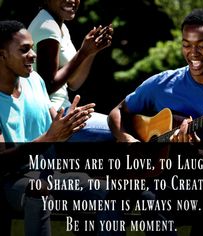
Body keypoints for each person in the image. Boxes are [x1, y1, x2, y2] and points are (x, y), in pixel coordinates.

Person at [108, 9, 203, 235]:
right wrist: (127, 138)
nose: (193, 53)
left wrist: (194, 153)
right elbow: (117, 112)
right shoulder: (163, 83)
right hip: (170, 174)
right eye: (186, 44)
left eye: (202, 45)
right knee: (150, 199)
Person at [0, 20, 122, 236]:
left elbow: (52, 123)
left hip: (50, 172)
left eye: (33, 48)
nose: (33, 55)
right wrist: (48, 138)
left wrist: (68, 125)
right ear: (2, 55)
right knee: (38, 191)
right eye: (24, 49)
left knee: (104, 189)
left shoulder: (34, 80)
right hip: (12, 180)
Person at [28, 0, 114, 142]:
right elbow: (48, 85)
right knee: (121, 130)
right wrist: (82, 52)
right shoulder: (47, 26)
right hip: (53, 119)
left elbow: (73, 83)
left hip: (65, 110)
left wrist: (90, 52)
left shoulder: (60, 26)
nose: (72, 0)